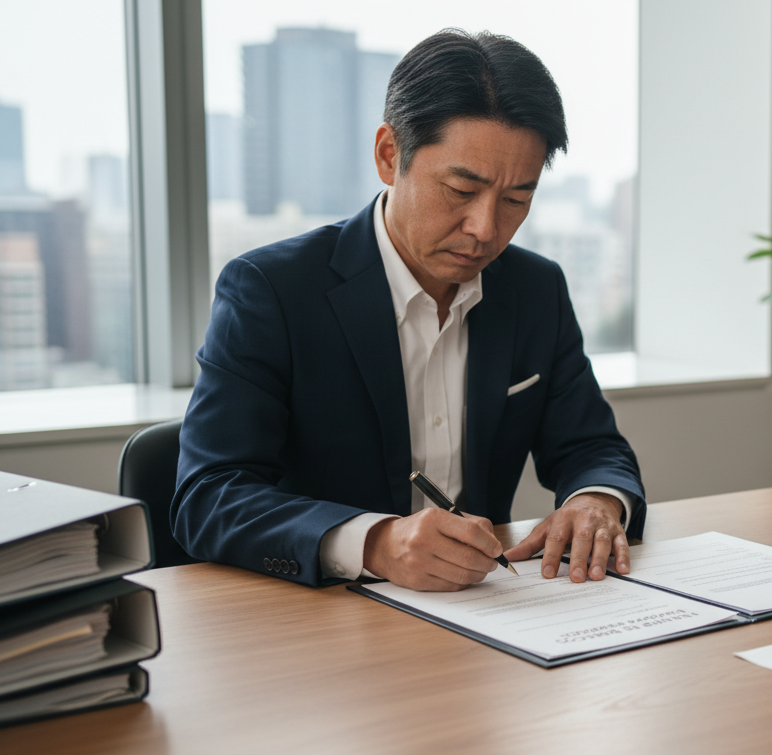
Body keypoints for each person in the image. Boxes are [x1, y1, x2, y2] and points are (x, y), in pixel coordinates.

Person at [173, 29, 645, 592]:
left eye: (518, 199)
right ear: (388, 154)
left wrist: (596, 500)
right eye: (460, 189)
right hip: (324, 620)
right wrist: (374, 542)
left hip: (486, 614)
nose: (486, 229)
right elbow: (208, 496)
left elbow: (590, 444)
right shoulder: (270, 290)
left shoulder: (534, 287)